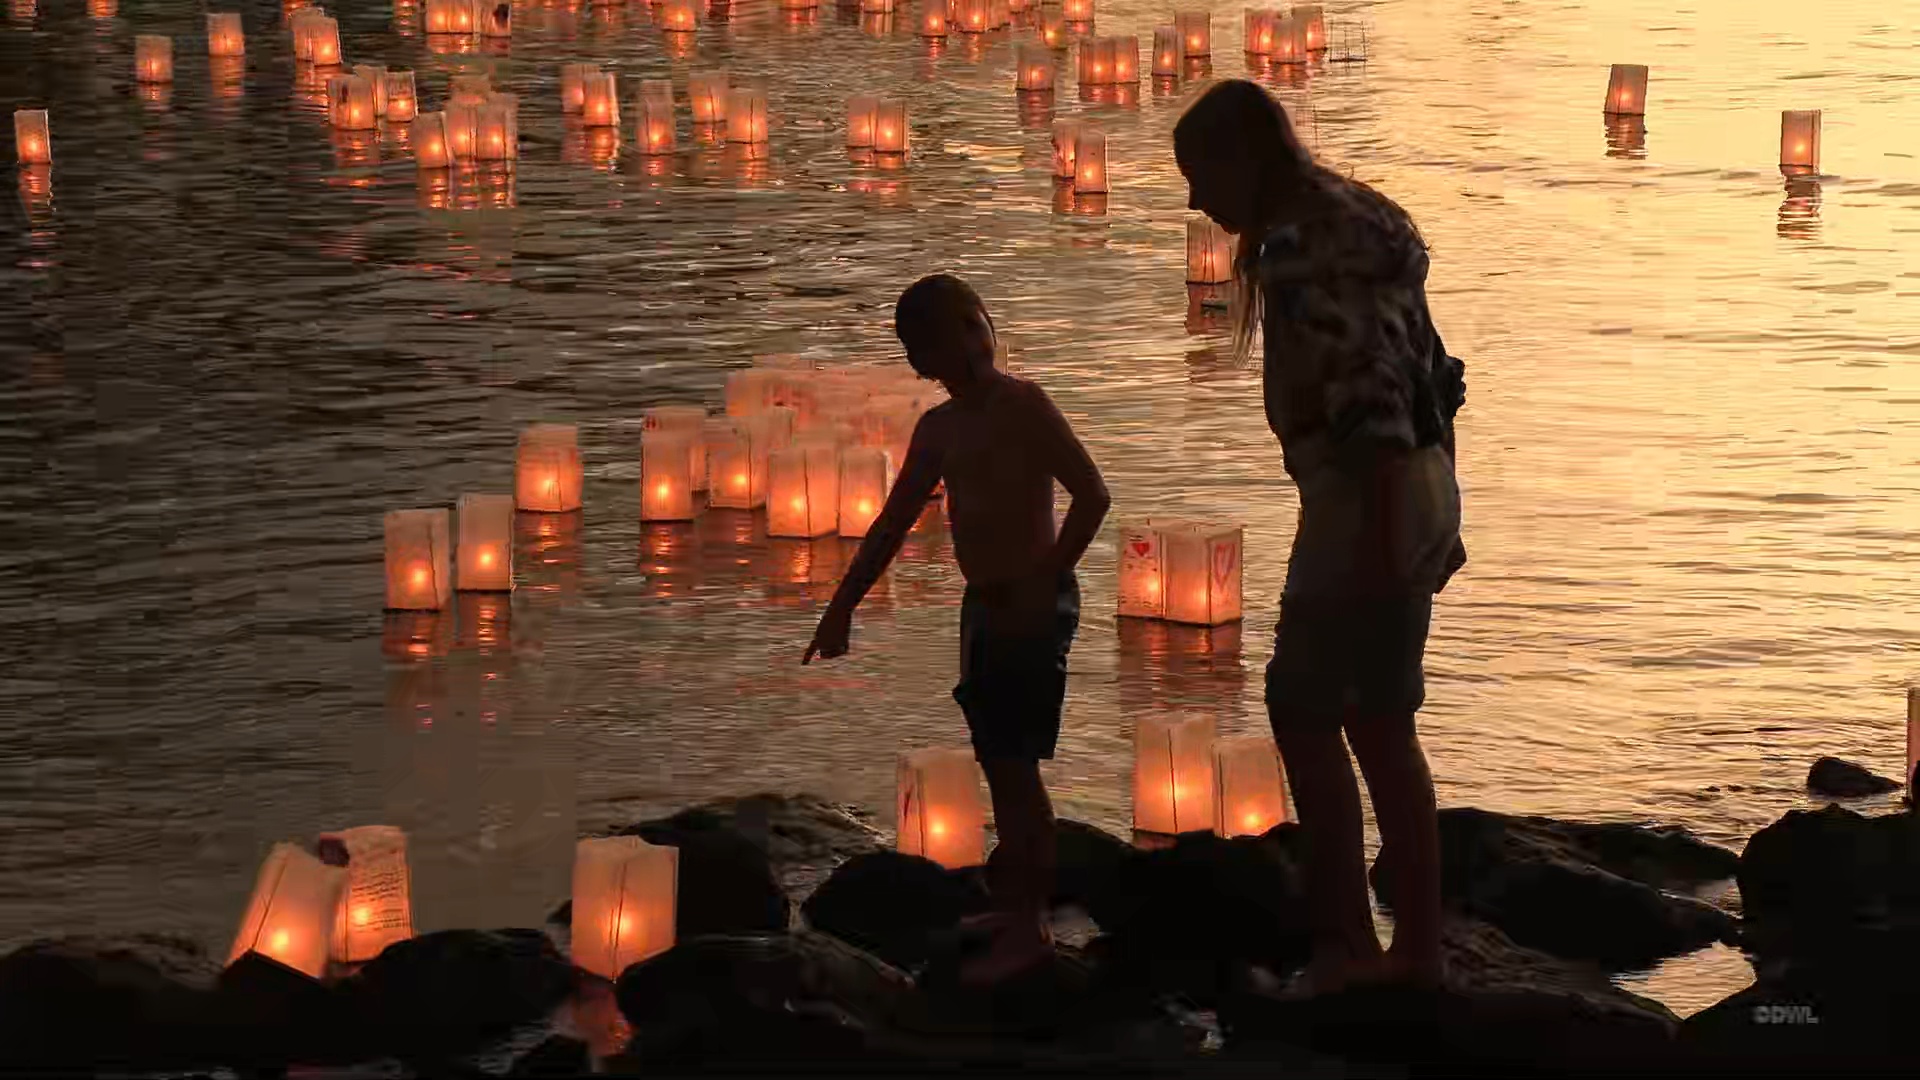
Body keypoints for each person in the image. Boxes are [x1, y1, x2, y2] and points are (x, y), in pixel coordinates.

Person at [1173, 80, 1467, 992]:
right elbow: (1436, 371)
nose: (1194, 202)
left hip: (1358, 496)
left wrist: (1380, 531)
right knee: (1383, 724)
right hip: (1417, 479)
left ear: (1241, 159)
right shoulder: (1370, 214)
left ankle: (1347, 945)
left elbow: (1368, 392)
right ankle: (1417, 949)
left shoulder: (1299, 250)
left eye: (1198, 175)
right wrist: (1437, 499)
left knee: (1304, 709)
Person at [803, 274, 1112, 983]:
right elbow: (892, 522)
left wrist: (1050, 577)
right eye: (948, 340)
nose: (970, 347)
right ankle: (1016, 908)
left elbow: (1092, 495)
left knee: (1017, 763)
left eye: (977, 328)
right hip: (983, 607)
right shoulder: (938, 430)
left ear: (990, 329)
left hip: (1034, 605)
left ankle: (1030, 923)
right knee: (997, 759)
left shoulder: (1025, 406)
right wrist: (842, 605)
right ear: (921, 360)